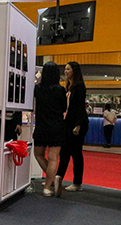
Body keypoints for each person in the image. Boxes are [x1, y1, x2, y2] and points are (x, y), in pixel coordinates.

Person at [32, 61, 66, 196]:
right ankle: (48, 186)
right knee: (53, 157)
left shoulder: (37, 89)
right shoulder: (61, 90)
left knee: (38, 154)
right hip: (57, 126)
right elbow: (64, 108)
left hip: (41, 125)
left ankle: (51, 178)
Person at [56, 61, 89, 195]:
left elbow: (80, 107)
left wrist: (78, 125)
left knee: (76, 153)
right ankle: (58, 178)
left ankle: (77, 183)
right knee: (64, 152)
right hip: (68, 123)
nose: (65, 71)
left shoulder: (79, 86)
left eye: (68, 69)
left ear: (74, 71)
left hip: (77, 124)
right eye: (65, 69)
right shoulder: (68, 86)